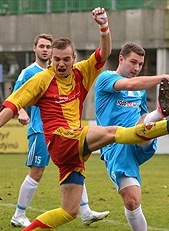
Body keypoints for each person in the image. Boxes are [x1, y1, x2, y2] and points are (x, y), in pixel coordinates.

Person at [0, 7, 169, 230]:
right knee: (112, 132)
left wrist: (103, 26)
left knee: (68, 211)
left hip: (72, 153)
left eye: (66, 59)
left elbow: (103, 53)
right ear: (50, 58)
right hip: (60, 139)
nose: (61, 64)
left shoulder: (81, 72)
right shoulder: (41, 80)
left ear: (74, 58)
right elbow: (13, 104)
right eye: (56, 59)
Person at [11, 34, 109, 227]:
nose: (45, 50)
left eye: (48, 46)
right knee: (37, 171)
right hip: (41, 130)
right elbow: (15, 96)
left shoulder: (66, 72)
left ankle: (85, 210)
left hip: (67, 132)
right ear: (35, 49)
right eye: (42, 46)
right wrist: (22, 112)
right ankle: (19, 213)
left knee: (74, 163)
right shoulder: (30, 73)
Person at [94, 42, 169, 231]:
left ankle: (163, 117)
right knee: (132, 201)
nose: (136, 68)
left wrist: (151, 116)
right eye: (133, 62)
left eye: (140, 64)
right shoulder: (106, 78)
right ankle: (164, 119)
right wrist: (162, 77)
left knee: (145, 124)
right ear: (121, 59)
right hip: (115, 144)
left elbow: (141, 116)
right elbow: (129, 83)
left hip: (139, 138)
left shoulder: (139, 92)